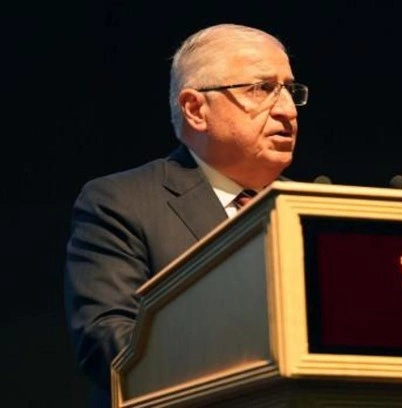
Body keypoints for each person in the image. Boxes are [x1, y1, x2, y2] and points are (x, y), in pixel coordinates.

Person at [63, 23, 308, 407]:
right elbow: (109, 344)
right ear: (195, 109)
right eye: (261, 89)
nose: (287, 110)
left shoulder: (308, 207)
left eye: (290, 90)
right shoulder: (121, 202)